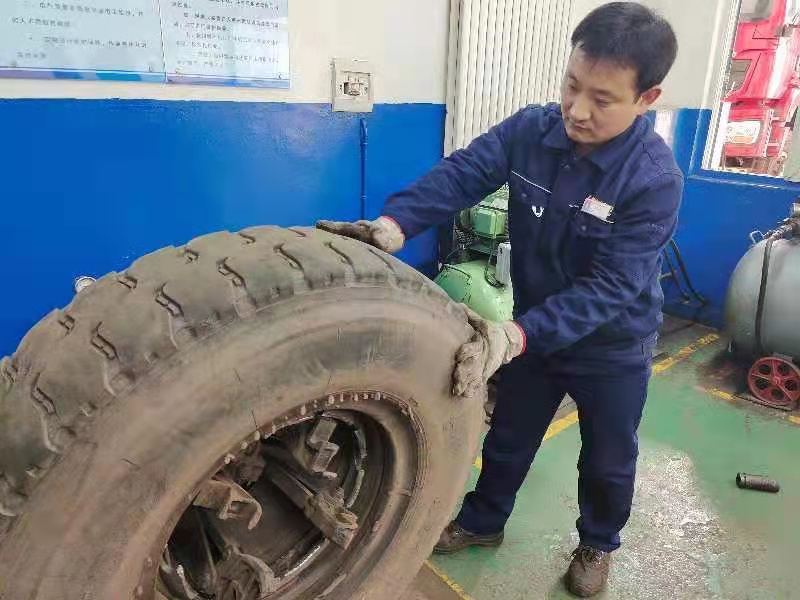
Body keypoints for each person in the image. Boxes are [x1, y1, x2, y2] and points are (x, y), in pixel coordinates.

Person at [317, 2, 680, 597]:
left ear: (647, 98)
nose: (577, 110)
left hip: (610, 346)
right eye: (571, 85)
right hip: (533, 328)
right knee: (509, 433)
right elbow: (463, 173)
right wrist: (394, 226)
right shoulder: (531, 130)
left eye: (602, 99)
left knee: (608, 457)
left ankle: (597, 542)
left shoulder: (653, 179)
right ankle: (483, 522)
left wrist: (513, 335)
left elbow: (612, 287)